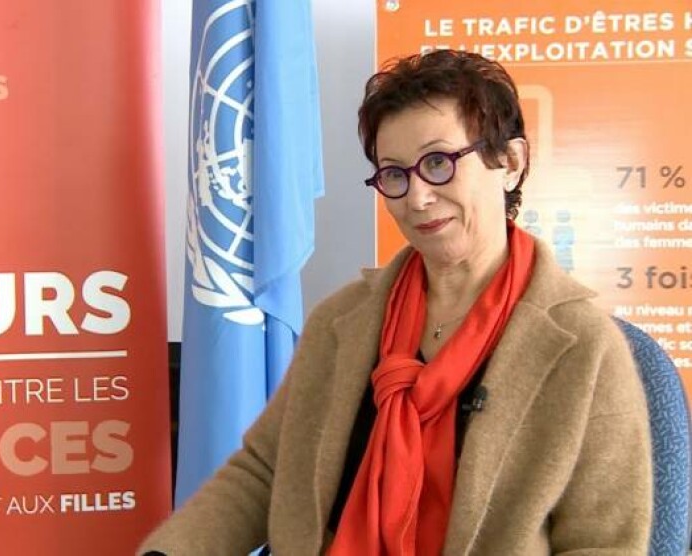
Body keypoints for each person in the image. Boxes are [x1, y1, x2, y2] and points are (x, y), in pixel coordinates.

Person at [139, 49, 652, 555]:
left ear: (510, 163)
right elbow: (263, 473)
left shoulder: (585, 347)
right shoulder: (340, 321)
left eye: (439, 162)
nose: (417, 197)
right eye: (394, 174)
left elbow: (604, 544)